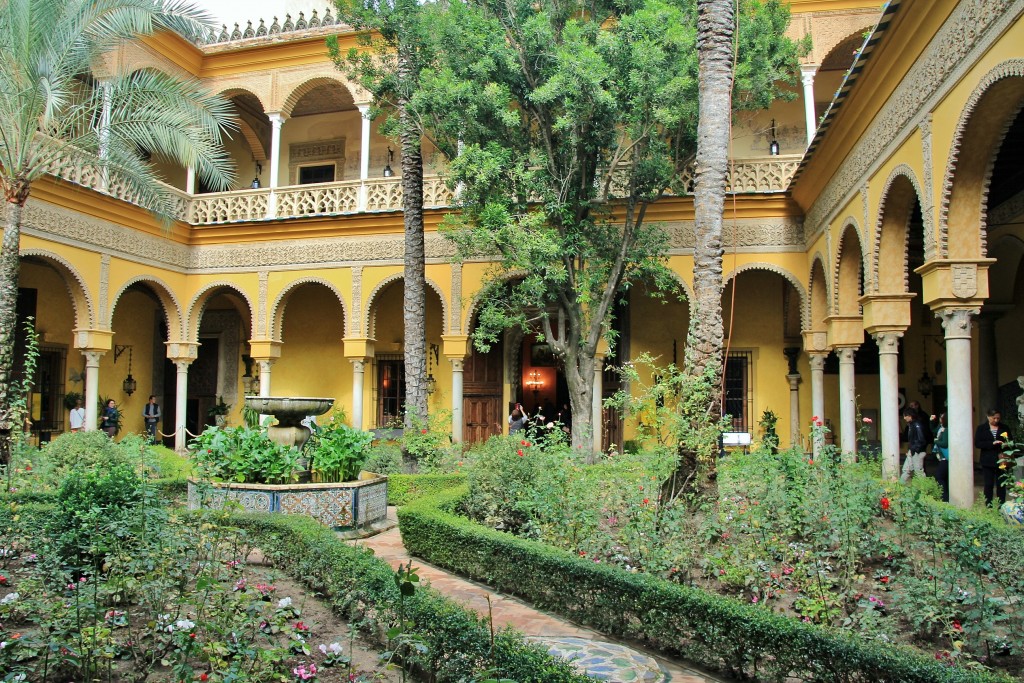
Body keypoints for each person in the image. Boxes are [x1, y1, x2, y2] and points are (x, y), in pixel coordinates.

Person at [975, 409, 1010, 506]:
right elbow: (978, 443)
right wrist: (991, 443)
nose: (996, 420)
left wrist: (1005, 444)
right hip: (987, 460)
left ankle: (1001, 505)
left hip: (1001, 459)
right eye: (994, 418)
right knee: (988, 484)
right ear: (988, 417)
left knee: (1001, 484)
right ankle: (989, 505)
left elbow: (1011, 442)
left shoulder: (1004, 427)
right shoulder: (981, 428)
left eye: (998, 418)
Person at [901, 408, 928, 483]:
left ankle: (925, 490)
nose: (904, 418)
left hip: (917, 451)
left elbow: (921, 439)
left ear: (910, 416)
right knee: (906, 469)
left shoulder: (917, 425)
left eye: (905, 416)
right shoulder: (912, 425)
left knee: (918, 472)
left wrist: (915, 449)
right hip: (913, 450)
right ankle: (899, 487)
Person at [933, 413, 949, 502]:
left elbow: (945, 443)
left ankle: (944, 497)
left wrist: (936, 441)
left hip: (945, 458)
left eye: (941, 418)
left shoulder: (946, 430)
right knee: (945, 478)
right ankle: (946, 497)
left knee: (939, 476)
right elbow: (933, 430)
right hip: (945, 458)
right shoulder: (943, 429)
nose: (940, 419)